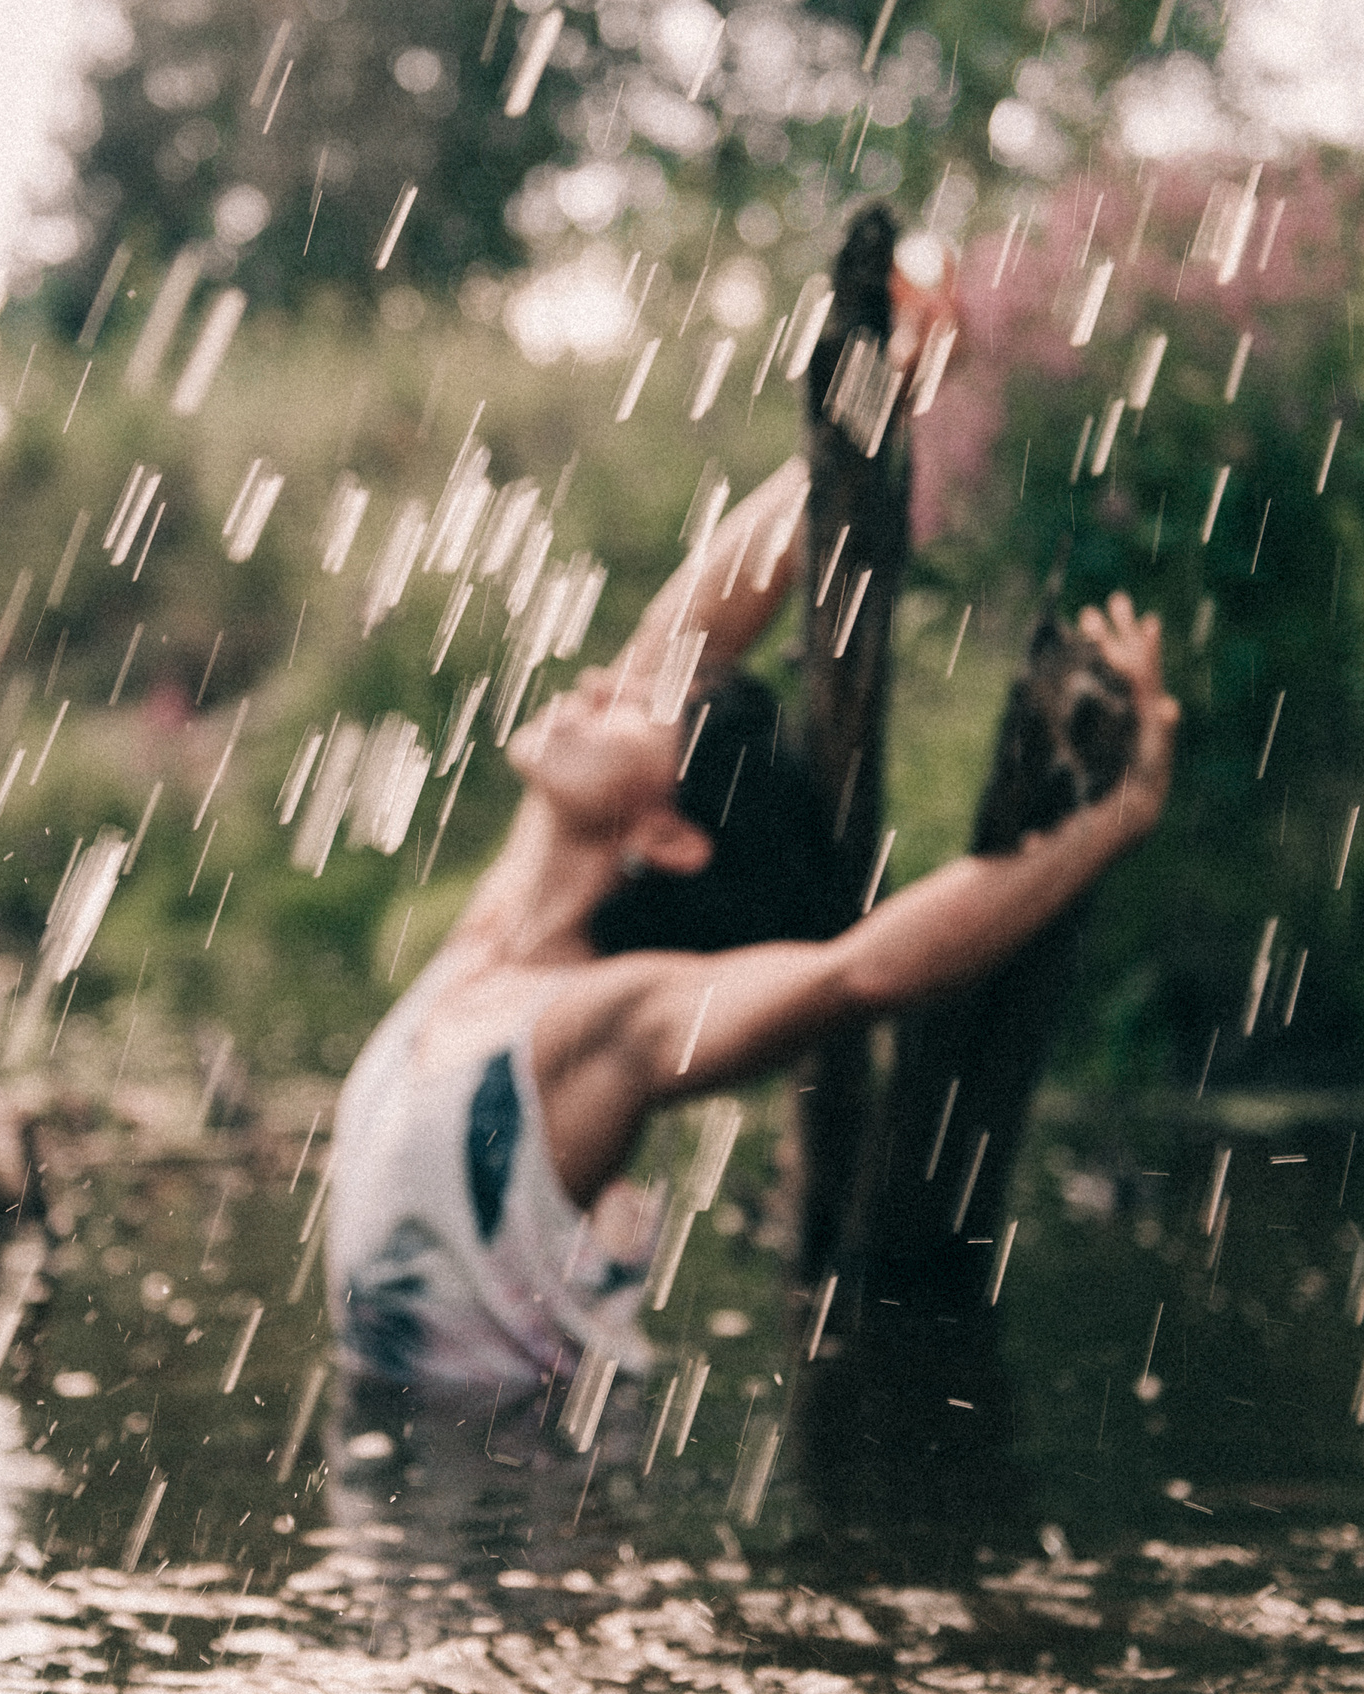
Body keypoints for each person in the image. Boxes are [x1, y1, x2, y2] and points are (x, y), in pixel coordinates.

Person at [323, 274, 1179, 1396]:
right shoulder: (486, 944)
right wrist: (879, 401)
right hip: (413, 1487)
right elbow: (686, 623)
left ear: (671, 835)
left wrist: (1115, 820)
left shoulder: (604, 1023)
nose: (605, 683)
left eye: (643, 710)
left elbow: (859, 972)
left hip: (530, 1504)